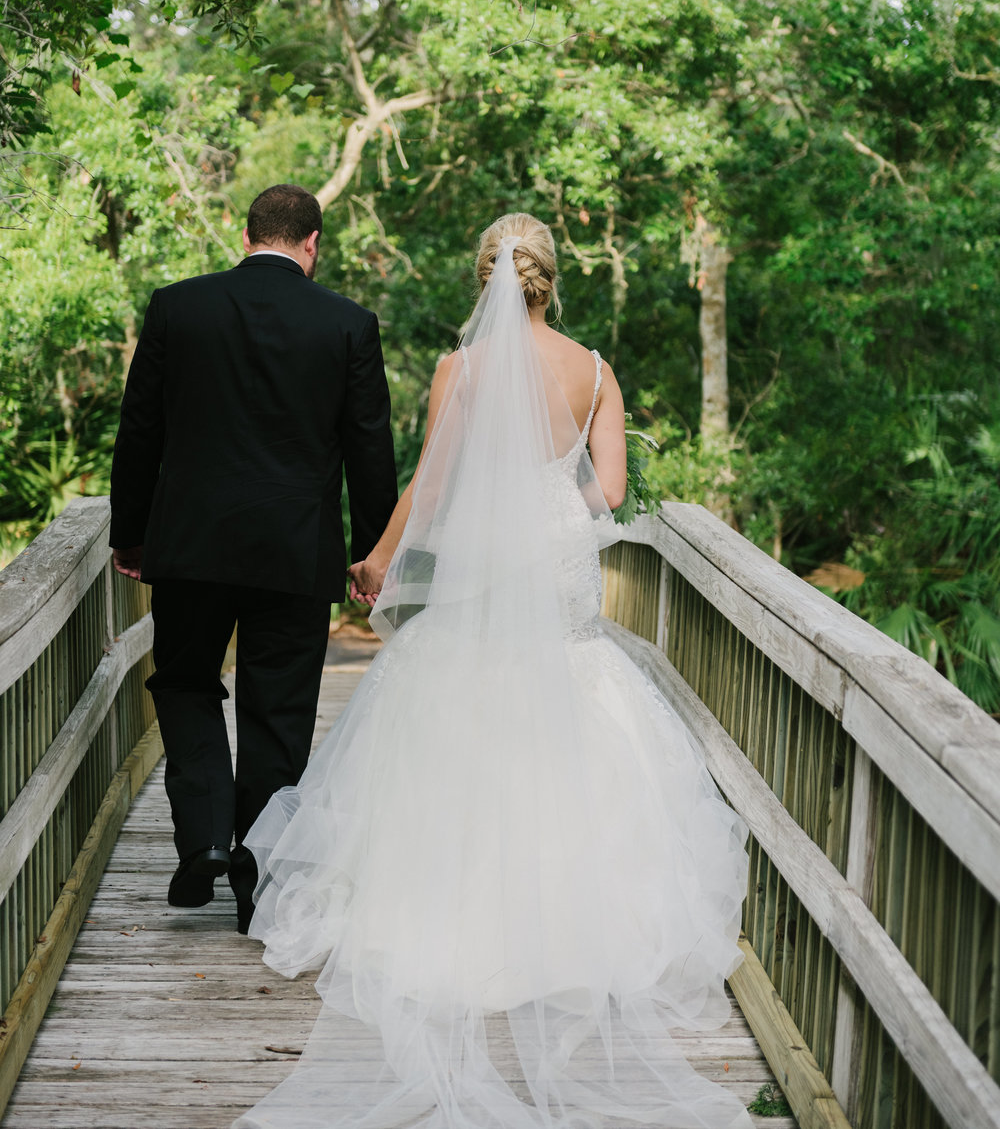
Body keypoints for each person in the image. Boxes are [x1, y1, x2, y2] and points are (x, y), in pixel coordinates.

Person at [234, 212, 753, 1129]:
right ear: (553, 277)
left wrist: (380, 560)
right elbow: (614, 492)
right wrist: (550, 502)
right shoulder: (595, 370)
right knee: (572, 692)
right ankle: (579, 923)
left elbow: (433, 481)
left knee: (459, 689)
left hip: (485, 557)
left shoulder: (460, 369)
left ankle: (450, 913)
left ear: (487, 280)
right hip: (555, 558)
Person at [109, 183, 397, 934]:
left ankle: (203, 835)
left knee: (185, 682)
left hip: (192, 545)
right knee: (280, 710)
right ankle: (256, 877)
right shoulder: (348, 325)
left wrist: (131, 534)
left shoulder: (178, 307)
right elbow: (370, 454)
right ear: (313, 244)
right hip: (296, 552)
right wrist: (372, 555)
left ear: (245, 236)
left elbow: (140, 431)